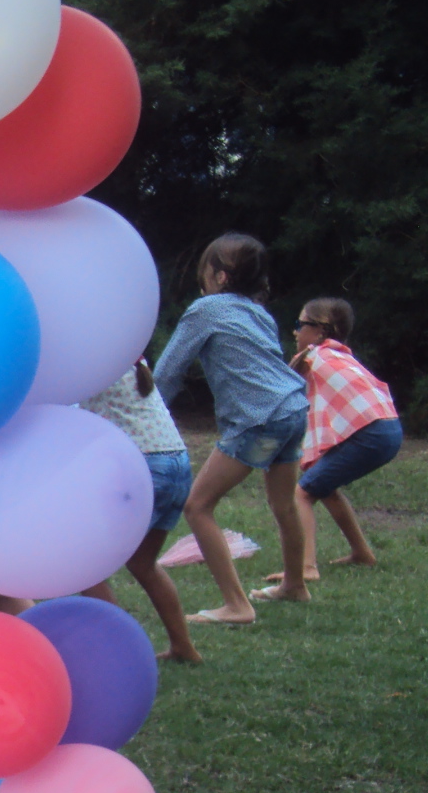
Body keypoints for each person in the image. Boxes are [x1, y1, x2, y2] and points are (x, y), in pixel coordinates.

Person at [154, 233, 311, 626]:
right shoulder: (258, 311)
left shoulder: (205, 309)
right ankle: (294, 585)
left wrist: (147, 414)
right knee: (283, 503)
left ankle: (237, 605)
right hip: (293, 410)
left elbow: (168, 373)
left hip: (260, 420)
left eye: (206, 270)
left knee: (197, 506)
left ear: (221, 276)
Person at [264, 297, 403, 583]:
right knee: (324, 487)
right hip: (388, 429)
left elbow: (281, 390)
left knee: (300, 494)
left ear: (321, 330)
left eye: (300, 324)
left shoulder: (311, 356)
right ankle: (362, 553)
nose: (295, 331)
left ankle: (306, 567)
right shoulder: (340, 356)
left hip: (371, 433)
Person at [78, 360, 201, 664]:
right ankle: (183, 647)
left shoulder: (92, 364)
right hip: (175, 462)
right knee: (144, 563)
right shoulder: (129, 359)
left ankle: (125, 655)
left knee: (85, 570)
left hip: (141, 467)